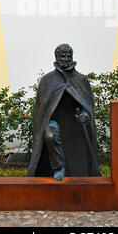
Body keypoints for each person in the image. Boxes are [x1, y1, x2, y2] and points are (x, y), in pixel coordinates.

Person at [27, 44, 101, 180]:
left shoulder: (81, 80)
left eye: (69, 56)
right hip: (54, 122)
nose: (66, 59)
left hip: (75, 124)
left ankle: (81, 170)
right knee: (50, 135)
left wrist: (85, 115)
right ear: (56, 57)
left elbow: (87, 106)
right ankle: (58, 167)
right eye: (63, 56)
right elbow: (41, 111)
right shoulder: (47, 80)